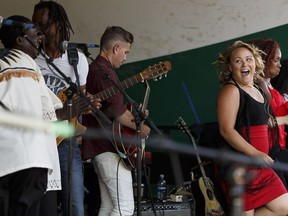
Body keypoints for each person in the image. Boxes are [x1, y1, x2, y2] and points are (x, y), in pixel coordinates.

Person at [32, 1, 101, 215]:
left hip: (64, 139)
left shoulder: (76, 59)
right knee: (39, 204)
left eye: (42, 23)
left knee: (75, 204)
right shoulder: (31, 56)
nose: (37, 29)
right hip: (35, 138)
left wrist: (86, 105)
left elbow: (79, 97)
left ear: (58, 24)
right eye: (35, 24)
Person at [82, 26, 151, 215]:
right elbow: (117, 112)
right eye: (126, 52)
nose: (126, 57)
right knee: (125, 208)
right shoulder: (104, 72)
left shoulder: (95, 69)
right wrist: (141, 128)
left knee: (109, 206)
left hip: (99, 147)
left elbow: (112, 107)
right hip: (109, 148)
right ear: (116, 48)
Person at [215, 40, 288, 215]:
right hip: (241, 164)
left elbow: (265, 123)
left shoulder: (256, 88)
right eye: (238, 60)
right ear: (230, 67)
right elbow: (226, 130)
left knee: (283, 208)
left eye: (248, 59)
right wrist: (255, 153)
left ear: (256, 62)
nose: (244, 64)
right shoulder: (231, 90)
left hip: (258, 164)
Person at [0, 15, 61, 216]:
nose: (40, 40)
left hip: (5, 162)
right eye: (35, 35)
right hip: (32, 161)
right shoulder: (31, 67)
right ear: (19, 40)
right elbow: (50, 115)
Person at [247, 38, 288, 189]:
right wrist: (284, 119)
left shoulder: (270, 88)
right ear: (264, 59)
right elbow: (264, 122)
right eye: (276, 60)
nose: (280, 64)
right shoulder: (257, 88)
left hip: (279, 149)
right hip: (268, 154)